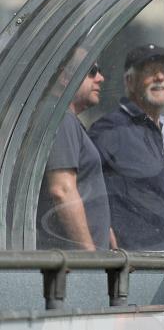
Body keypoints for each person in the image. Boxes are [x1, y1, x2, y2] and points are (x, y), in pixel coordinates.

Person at [89, 44, 164, 251]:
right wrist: (103, 230)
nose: (160, 78)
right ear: (130, 81)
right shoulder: (111, 129)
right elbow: (84, 185)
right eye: (149, 72)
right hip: (132, 261)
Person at [37, 60, 112, 251]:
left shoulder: (68, 121)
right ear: (64, 76)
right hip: (72, 266)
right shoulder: (60, 118)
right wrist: (90, 257)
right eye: (92, 71)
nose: (100, 78)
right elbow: (62, 190)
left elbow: (86, 192)